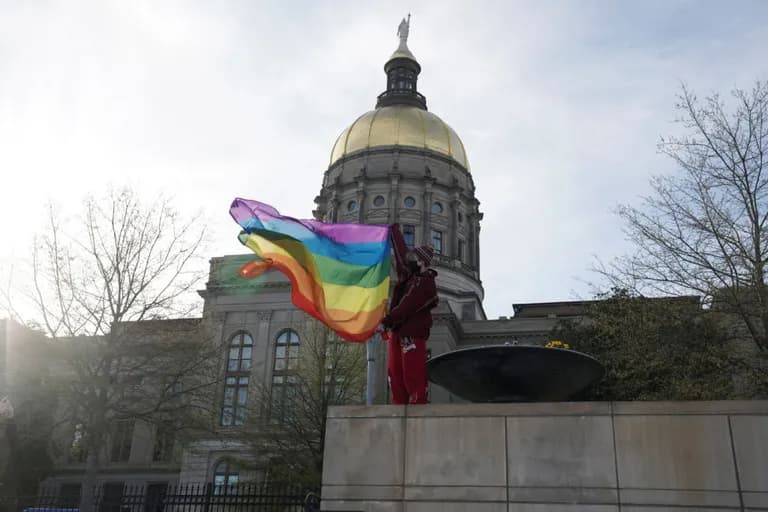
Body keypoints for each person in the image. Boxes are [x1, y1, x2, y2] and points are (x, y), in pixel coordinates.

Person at [381, 223, 438, 405]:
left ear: (422, 262)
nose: (410, 259)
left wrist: (387, 320)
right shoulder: (409, 276)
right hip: (398, 332)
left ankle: (417, 405)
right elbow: (401, 256)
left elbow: (408, 304)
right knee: (395, 373)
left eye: (415, 257)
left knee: (412, 373)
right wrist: (395, 232)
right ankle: (399, 406)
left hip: (411, 334)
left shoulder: (425, 283)